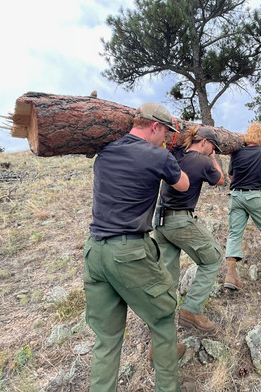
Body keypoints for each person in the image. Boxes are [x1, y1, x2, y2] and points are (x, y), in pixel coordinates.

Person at [83, 102, 190, 392]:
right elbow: (183, 184)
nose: (167, 139)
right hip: (129, 252)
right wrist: (174, 157)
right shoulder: (158, 155)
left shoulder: (105, 152)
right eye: (166, 132)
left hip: (94, 251)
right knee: (164, 316)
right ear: (155, 126)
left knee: (106, 339)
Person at [153, 126, 225, 335]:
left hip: (160, 222)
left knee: (168, 276)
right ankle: (191, 310)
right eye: (213, 146)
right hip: (180, 221)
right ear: (203, 142)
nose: (213, 150)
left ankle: (162, 325)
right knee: (213, 258)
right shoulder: (202, 161)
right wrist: (213, 158)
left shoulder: (174, 155)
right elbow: (220, 180)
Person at [224, 122, 261, 290]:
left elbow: (230, 176)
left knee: (235, 233)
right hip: (254, 195)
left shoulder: (236, 154)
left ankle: (230, 275)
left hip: (235, 196)